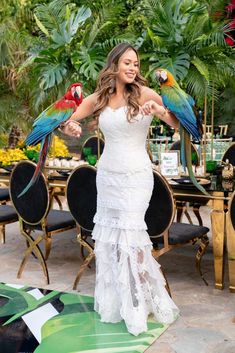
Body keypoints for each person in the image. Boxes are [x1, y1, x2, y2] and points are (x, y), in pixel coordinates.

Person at [62, 42, 180, 336]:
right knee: (112, 242)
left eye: (136, 64)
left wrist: (159, 111)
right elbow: (66, 121)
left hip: (137, 176)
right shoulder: (98, 99)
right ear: (114, 66)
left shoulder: (146, 94)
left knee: (132, 237)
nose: (133, 68)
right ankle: (116, 304)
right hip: (108, 176)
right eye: (127, 62)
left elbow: (177, 123)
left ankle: (137, 305)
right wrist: (71, 128)